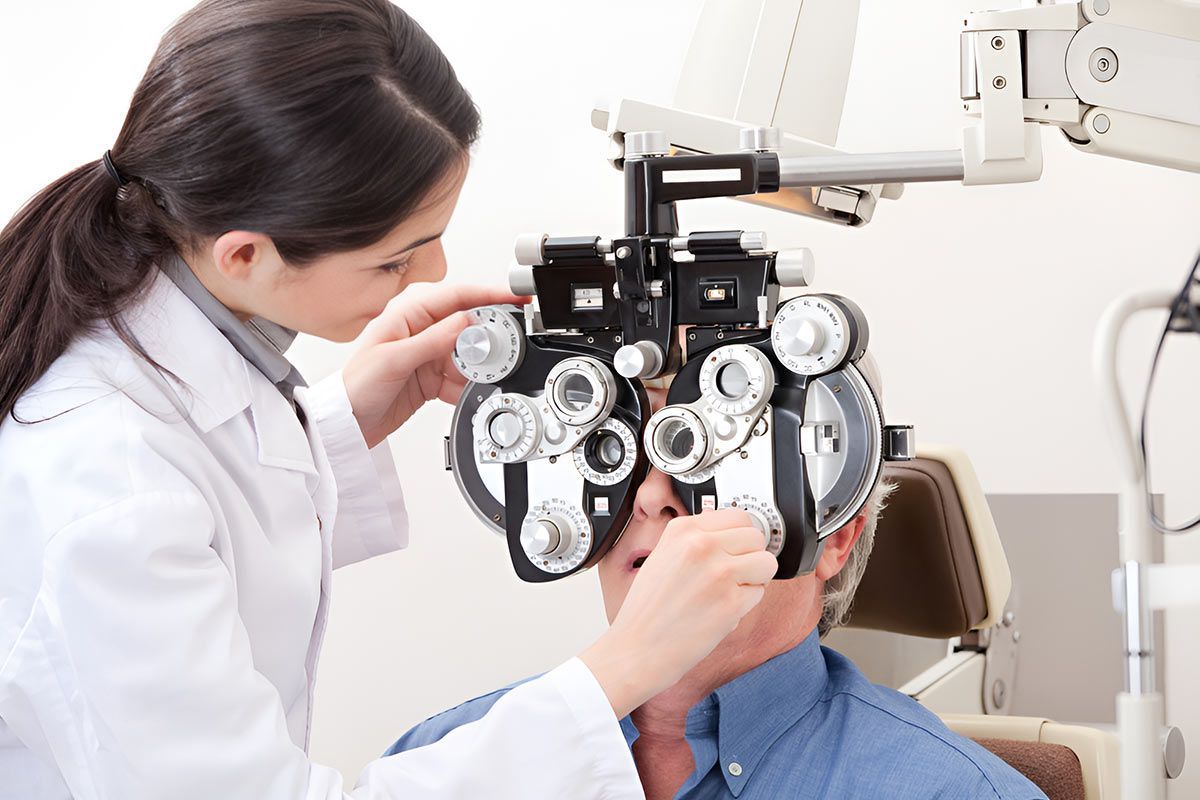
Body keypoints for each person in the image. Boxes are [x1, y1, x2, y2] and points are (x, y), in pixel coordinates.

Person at [0, 2, 779, 798]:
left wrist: (338, 427)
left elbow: (213, 514)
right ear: (244, 255)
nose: (436, 272)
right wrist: (623, 668)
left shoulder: (154, 380)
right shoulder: (108, 488)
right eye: (397, 257)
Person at [387, 382, 1050, 800]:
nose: (651, 496)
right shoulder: (445, 759)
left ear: (834, 539)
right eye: (619, 459)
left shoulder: (951, 790)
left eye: (708, 455)